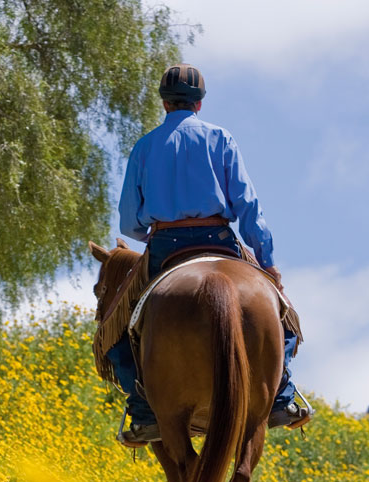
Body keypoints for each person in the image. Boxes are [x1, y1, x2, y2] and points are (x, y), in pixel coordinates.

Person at [110, 63, 311, 444]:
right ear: (199, 104)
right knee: (282, 316)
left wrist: (148, 228)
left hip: (165, 246)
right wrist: (266, 261)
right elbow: (248, 205)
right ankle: (282, 397)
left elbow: (129, 223)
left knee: (117, 331)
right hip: (220, 240)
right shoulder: (221, 139)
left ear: (164, 104)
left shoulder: (145, 146)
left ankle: (143, 410)